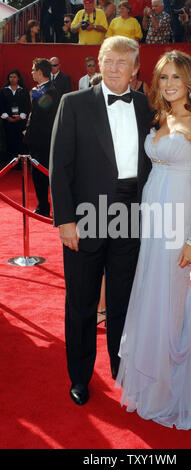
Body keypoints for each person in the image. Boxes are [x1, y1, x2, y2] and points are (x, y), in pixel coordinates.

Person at [115, 50, 191, 430]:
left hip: (177, 219)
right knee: (149, 291)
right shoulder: (163, 116)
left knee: (169, 298)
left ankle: (167, 386)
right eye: (163, 78)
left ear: (190, 80)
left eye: (176, 78)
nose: (169, 85)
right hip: (152, 214)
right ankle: (150, 381)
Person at [49, 36, 152, 406]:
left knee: (124, 301)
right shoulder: (73, 103)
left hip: (131, 215)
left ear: (135, 70)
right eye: (107, 60)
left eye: (121, 62)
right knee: (81, 302)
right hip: (86, 217)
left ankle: (121, 370)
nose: (112, 68)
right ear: (97, 62)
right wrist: (65, 221)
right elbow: (60, 168)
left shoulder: (144, 105)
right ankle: (79, 376)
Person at [26, 58, 59, 217]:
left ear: (40, 72)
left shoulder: (51, 90)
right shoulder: (39, 89)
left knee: (45, 174)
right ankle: (42, 206)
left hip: (45, 141)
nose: (31, 72)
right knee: (37, 175)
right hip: (35, 139)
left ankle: (51, 208)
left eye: (33, 70)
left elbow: (47, 112)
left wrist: (38, 95)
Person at [0, 70, 30, 165]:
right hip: (7, 121)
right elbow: (1, 105)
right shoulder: (3, 90)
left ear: (18, 78)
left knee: (19, 141)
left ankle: (20, 164)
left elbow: (27, 105)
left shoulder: (23, 90)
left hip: (20, 121)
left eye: (14, 77)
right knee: (8, 140)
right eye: (10, 77)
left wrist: (21, 116)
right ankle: (8, 163)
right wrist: (7, 117)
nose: (12, 79)